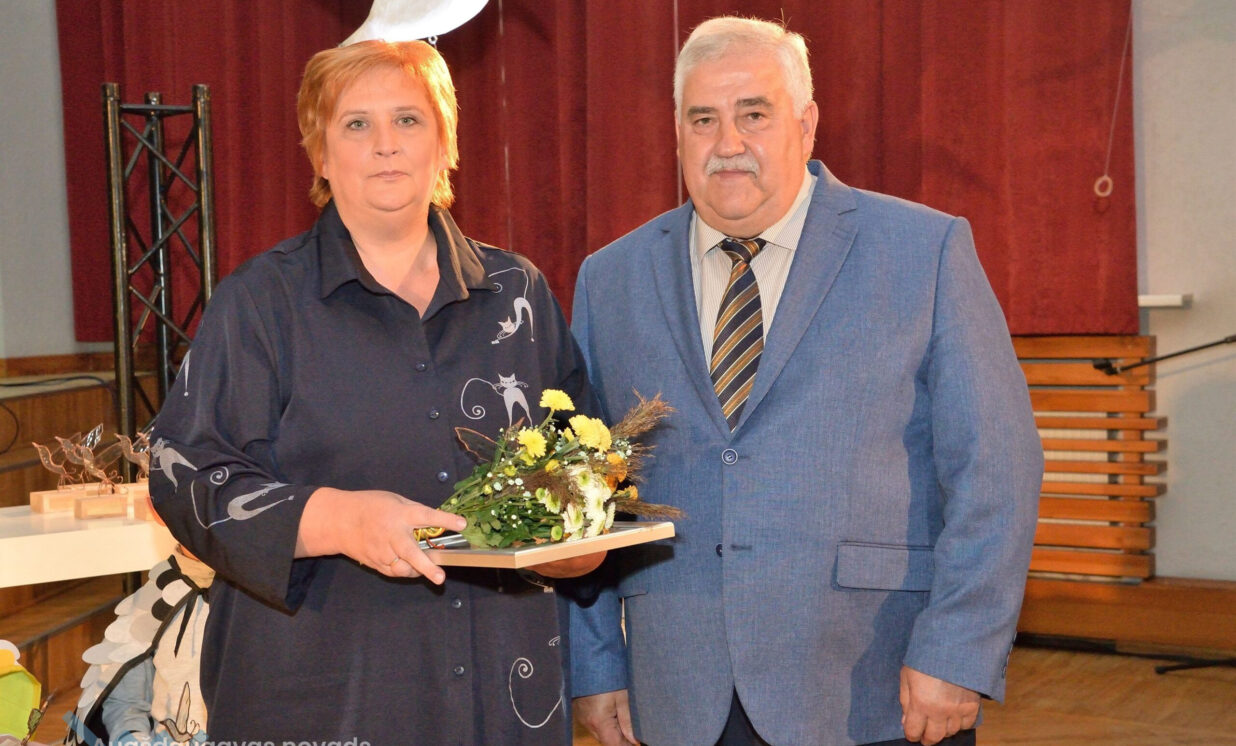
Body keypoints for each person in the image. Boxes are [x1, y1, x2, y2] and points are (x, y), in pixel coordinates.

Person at [569, 16, 1043, 746]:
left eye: (754, 114)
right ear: (677, 132)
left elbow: (996, 468)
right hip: (679, 690)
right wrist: (596, 665)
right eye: (703, 119)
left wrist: (959, 648)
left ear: (807, 123)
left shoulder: (925, 250)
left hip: (876, 688)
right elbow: (578, 497)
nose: (728, 142)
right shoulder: (611, 279)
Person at [148, 39, 599, 744]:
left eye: (408, 120)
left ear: (445, 144)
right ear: (320, 154)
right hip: (322, 694)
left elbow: (583, 460)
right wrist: (337, 520)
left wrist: (583, 532)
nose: (385, 143)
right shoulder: (260, 302)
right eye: (356, 124)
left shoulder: (520, 293)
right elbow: (185, 476)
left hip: (503, 694)